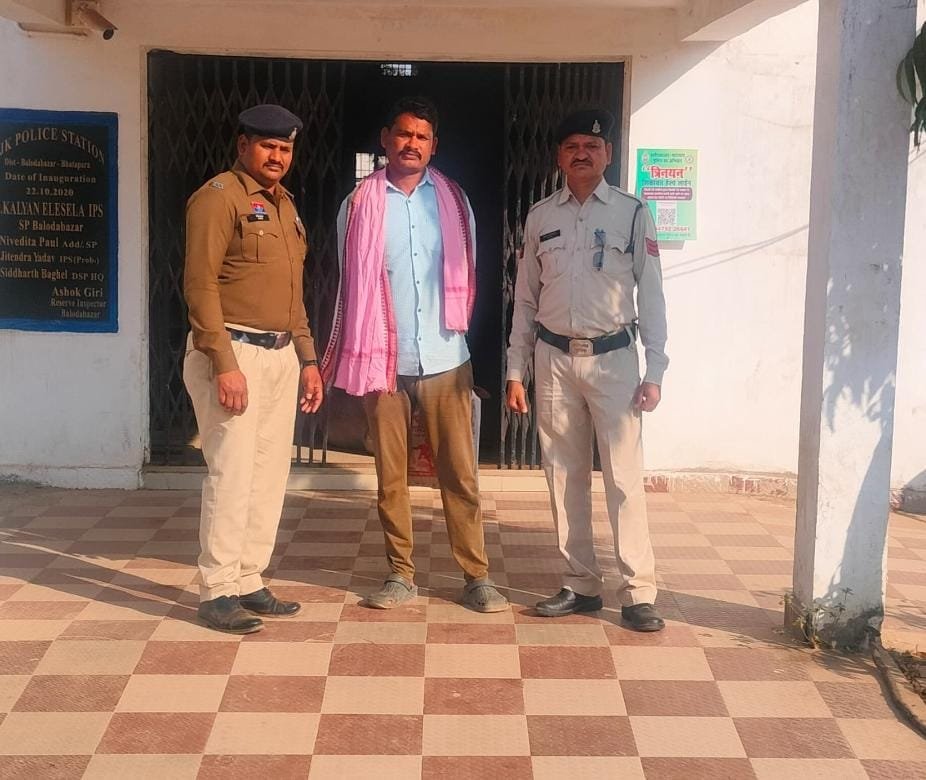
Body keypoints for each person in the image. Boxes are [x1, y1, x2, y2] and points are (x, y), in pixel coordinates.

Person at [321, 96, 507, 613]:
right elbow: (349, 278)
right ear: (386, 139)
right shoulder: (358, 203)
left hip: (446, 355)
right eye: (403, 134)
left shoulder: (454, 200)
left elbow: (470, 269)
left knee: (459, 473)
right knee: (390, 475)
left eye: (422, 137)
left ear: (434, 145)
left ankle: (476, 576)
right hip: (381, 357)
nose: (411, 144)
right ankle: (400, 574)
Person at [505, 108, 668, 631]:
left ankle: (638, 592)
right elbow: (525, 300)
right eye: (572, 146)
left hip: (615, 360)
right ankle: (579, 583)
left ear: (608, 154)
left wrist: (655, 369)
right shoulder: (540, 217)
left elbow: (652, 293)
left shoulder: (632, 213)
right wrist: (515, 369)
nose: (582, 154)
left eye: (592, 147)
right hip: (553, 359)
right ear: (559, 156)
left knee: (624, 478)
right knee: (562, 475)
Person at [183, 104, 323, 634]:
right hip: (233, 352)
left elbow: (293, 296)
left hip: (280, 354)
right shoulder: (218, 198)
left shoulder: (285, 206)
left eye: (285, 148)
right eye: (268, 146)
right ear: (243, 145)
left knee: (269, 473)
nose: (277, 156)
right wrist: (224, 363)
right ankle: (217, 589)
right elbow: (200, 285)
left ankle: (247, 578)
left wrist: (308, 358)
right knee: (233, 471)